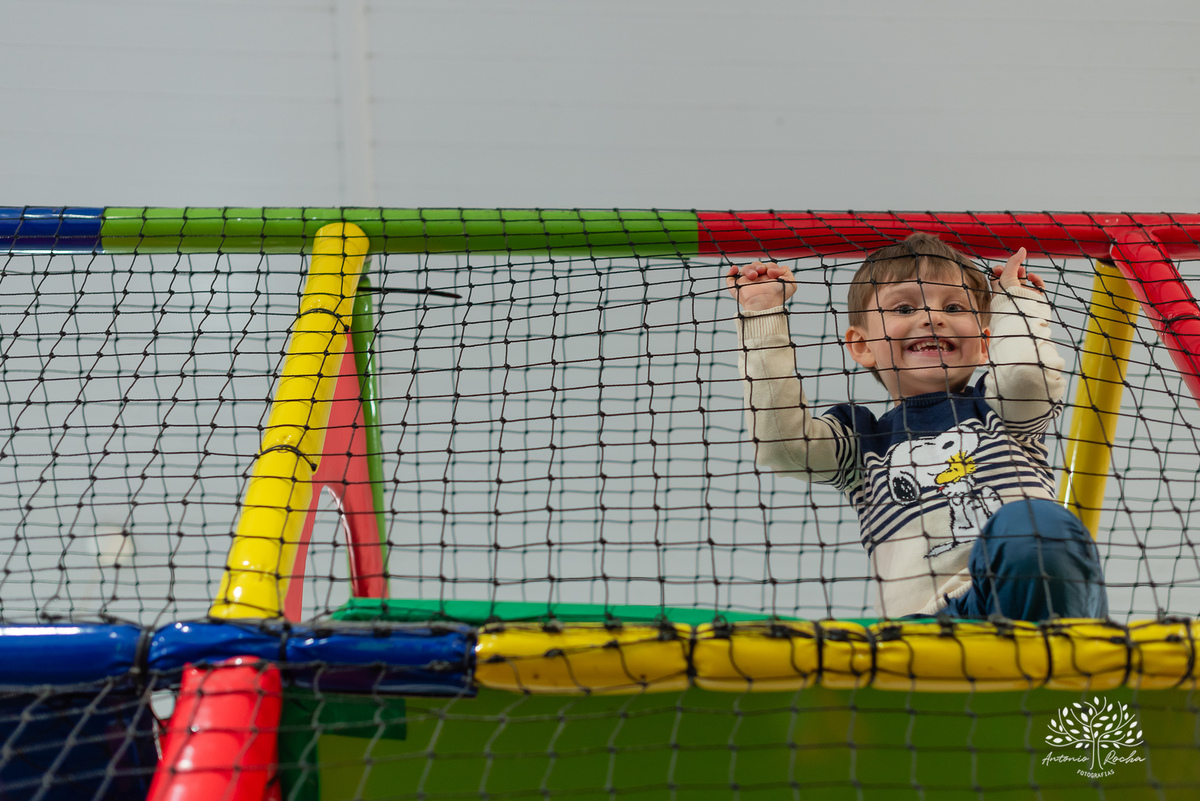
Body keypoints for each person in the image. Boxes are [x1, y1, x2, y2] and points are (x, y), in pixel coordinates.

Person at [726, 233, 1107, 621]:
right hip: (925, 634)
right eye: (905, 307)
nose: (932, 317)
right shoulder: (863, 442)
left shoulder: (1002, 412)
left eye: (955, 306)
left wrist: (1014, 299)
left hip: (1026, 598)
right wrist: (762, 313)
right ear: (862, 347)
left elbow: (1027, 375)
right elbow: (783, 444)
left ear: (984, 344)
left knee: (1035, 523)